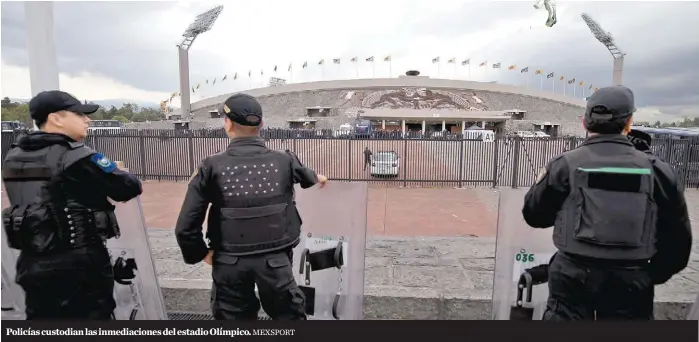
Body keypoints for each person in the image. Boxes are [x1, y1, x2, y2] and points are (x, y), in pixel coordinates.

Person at [521, 85, 692, 321]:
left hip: (572, 277)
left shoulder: (564, 165)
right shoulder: (658, 171)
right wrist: (646, 275)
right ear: (629, 123)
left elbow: (534, 215)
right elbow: (678, 244)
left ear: (585, 123)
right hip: (632, 281)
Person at [174, 93, 328, 320]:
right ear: (262, 124)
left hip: (228, 261)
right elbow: (309, 177)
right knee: (289, 317)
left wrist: (201, 253)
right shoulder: (284, 159)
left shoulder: (211, 166)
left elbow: (185, 226)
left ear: (227, 124)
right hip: (276, 261)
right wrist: (318, 177)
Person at [1, 90, 143, 320]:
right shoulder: (77, 157)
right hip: (80, 269)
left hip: (31, 265)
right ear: (56, 118)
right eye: (79, 114)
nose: (88, 120)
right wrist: (118, 171)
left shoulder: (13, 157)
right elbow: (128, 187)